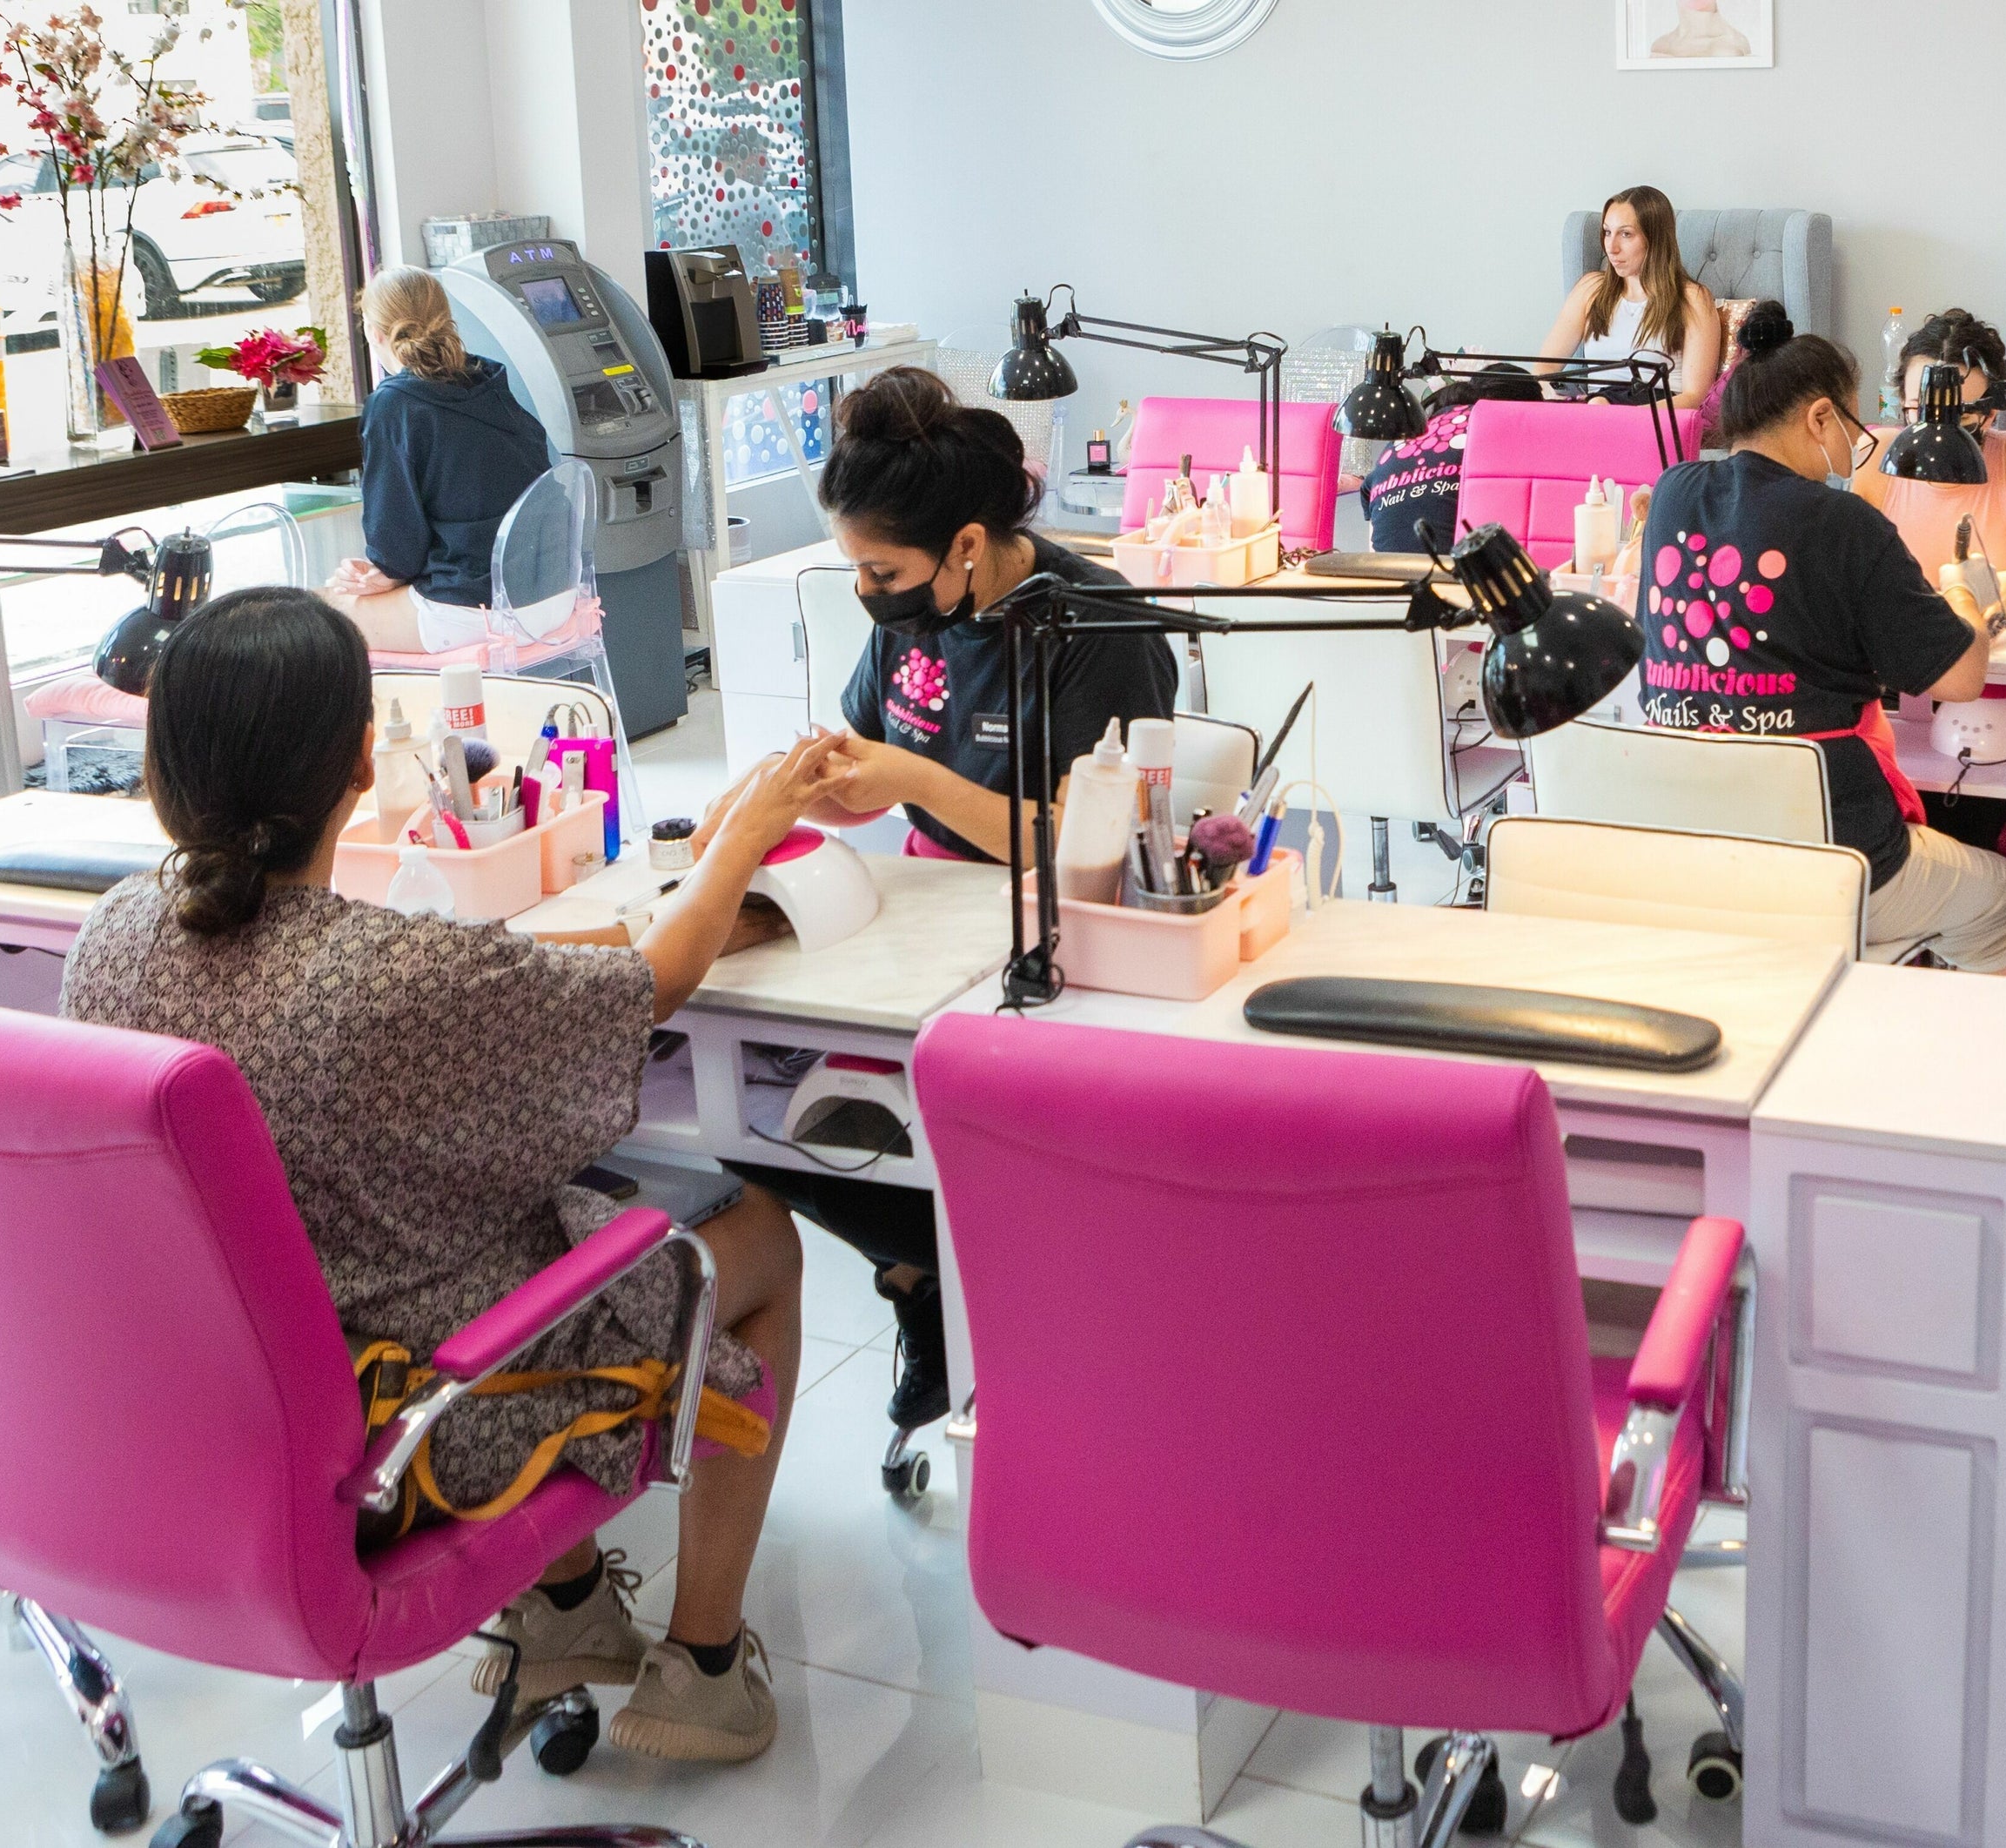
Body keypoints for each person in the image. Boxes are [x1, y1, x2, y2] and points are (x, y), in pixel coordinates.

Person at [59, 586, 842, 1763]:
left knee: (479, 1226)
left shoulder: (110, 940)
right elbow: (655, 983)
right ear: (361, 760)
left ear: (162, 772)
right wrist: (741, 842)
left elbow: (471, 987)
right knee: (759, 1239)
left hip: (208, 1416)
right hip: (409, 1427)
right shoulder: (386, 982)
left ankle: (568, 1609)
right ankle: (708, 1666)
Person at [720, 366, 1177, 1435]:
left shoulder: (1096, 628)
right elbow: (864, 767)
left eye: (879, 570)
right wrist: (775, 801)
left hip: (1052, 934)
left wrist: (915, 779)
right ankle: (923, 1271)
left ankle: (970, 1297)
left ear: (967, 543)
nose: (865, 593)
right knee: (743, 1113)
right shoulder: (912, 609)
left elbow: (1086, 851)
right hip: (919, 914)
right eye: (855, 567)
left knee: (953, 1131)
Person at [1633, 302, 2006, 971]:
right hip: (1833, 857)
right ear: (1820, 418)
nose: (1855, 443)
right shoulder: (1844, 523)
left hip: (1690, 848)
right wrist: (1966, 594)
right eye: (1852, 423)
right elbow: (1961, 677)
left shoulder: (1671, 492)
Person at [325, 265, 558, 655]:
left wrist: (382, 572)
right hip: (551, 589)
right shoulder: (488, 381)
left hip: (477, 606)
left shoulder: (394, 405)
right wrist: (388, 570)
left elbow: (396, 548)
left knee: (320, 615)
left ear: (374, 332)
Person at [1855, 309, 2006, 622]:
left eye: (1960, 415)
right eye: (1921, 410)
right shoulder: (1877, 453)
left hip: (2005, 648)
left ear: (1991, 414)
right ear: (1902, 400)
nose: (1938, 430)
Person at [1540, 185, 1722, 408]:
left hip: (1656, 410)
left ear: (1654, 239)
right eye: (1607, 232)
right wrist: (1551, 395)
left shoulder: (1692, 298)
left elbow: (1696, 396)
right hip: (1597, 408)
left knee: (1599, 405)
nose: (1611, 248)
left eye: (1626, 234)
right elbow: (1544, 368)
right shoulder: (1590, 290)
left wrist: (1627, 417)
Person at [1358, 363, 1543, 555]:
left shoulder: (1412, 434)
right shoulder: (1505, 426)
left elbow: (1376, 533)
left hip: (1382, 570)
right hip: (1459, 568)